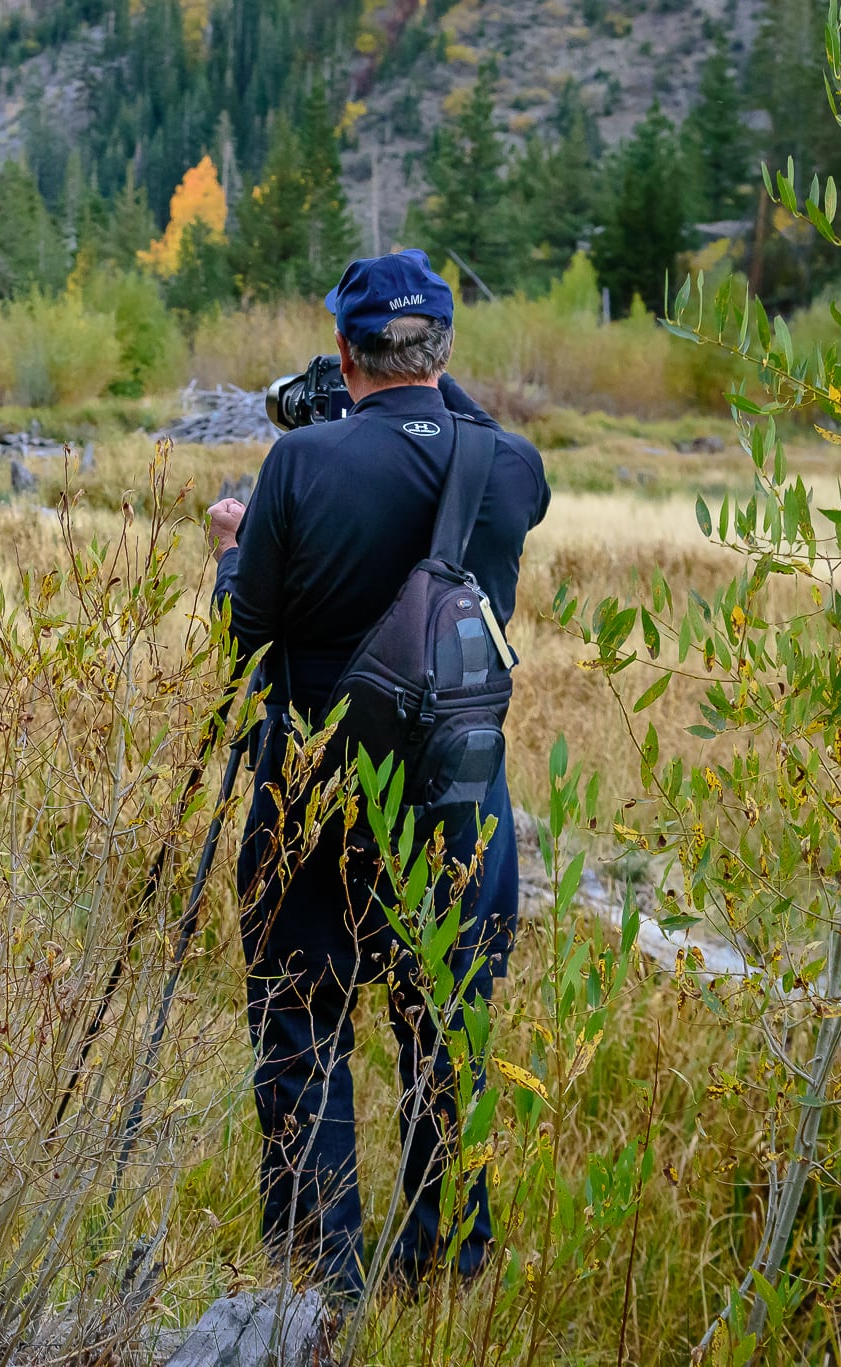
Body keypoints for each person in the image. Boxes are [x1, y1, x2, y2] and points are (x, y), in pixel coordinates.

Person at [206, 248, 549, 1296]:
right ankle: (444, 1266)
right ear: (441, 350)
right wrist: (425, 389)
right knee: (447, 1028)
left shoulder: (299, 467)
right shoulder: (507, 468)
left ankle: (321, 1280)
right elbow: (473, 434)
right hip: (457, 802)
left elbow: (245, 637)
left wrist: (228, 549)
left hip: (311, 789)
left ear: (345, 352)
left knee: (302, 1022)